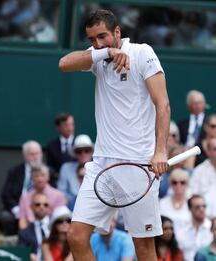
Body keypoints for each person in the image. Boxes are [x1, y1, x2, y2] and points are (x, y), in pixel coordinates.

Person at [59, 9, 170, 261]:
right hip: (101, 165)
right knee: (75, 236)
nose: (97, 43)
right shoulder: (99, 57)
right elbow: (63, 64)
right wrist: (106, 52)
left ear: (117, 32)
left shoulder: (143, 53)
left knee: (143, 248)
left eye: (103, 37)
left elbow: (162, 104)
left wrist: (160, 151)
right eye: (92, 40)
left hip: (138, 166)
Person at [0, 140, 57, 236]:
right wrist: (18, 209)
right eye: (31, 154)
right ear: (24, 155)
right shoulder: (14, 171)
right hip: (18, 209)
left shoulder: (49, 171)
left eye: (37, 153)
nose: (35, 157)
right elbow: (6, 195)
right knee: (5, 217)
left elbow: (53, 193)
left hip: (43, 209)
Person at [18, 163, 67, 230]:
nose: (40, 179)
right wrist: (25, 235)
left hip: (53, 231)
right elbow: (22, 220)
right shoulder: (25, 197)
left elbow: (60, 219)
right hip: (31, 232)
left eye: (42, 175)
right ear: (31, 178)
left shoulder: (58, 196)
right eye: (36, 176)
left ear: (48, 177)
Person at [57, 134, 93, 210]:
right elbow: (61, 192)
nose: (83, 154)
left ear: (91, 152)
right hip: (71, 207)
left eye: (86, 150)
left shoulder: (98, 168)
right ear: (75, 153)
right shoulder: (66, 168)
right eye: (79, 151)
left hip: (93, 206)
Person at [175, 195, 212, 261]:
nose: (202, 209)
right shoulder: (182, 231)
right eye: (197, 207)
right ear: (190, 209)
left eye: (204, 206)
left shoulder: (213, 229)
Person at [18, 192, 51, 261]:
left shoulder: (57, 228)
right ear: (31, 207)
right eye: (37, 204)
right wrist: (28, 255)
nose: (41, 207)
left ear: (49, 207)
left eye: (45, 204)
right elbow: (21, 253)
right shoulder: (24, 233)